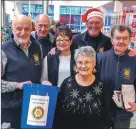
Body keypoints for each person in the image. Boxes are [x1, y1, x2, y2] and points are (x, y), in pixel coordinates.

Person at [53, 46, 112, 129]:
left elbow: (107, 115)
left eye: (87, 62)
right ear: (76, 64)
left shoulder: (103, 86)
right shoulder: (67, 83)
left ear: (94, 63)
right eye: (80, 62)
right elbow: (58, 112)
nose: (83, 66)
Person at [1, 15, 43, 129]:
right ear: (13, 29)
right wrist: (18, 85)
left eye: (27, 28)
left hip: (34, 105)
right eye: (19, 28)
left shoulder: (37, 47)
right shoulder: (3, 50)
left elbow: (40, 73)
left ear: (32, 29)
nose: (23, 32)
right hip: (11, 108)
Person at [97, 25, 136, 129]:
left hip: (124, 112)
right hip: (102, 110)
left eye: (125, 38)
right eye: (118, 38)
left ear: (130, 40)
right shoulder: (100, 58)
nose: (121, 41)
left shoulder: (134, 59)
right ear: (112, 39)